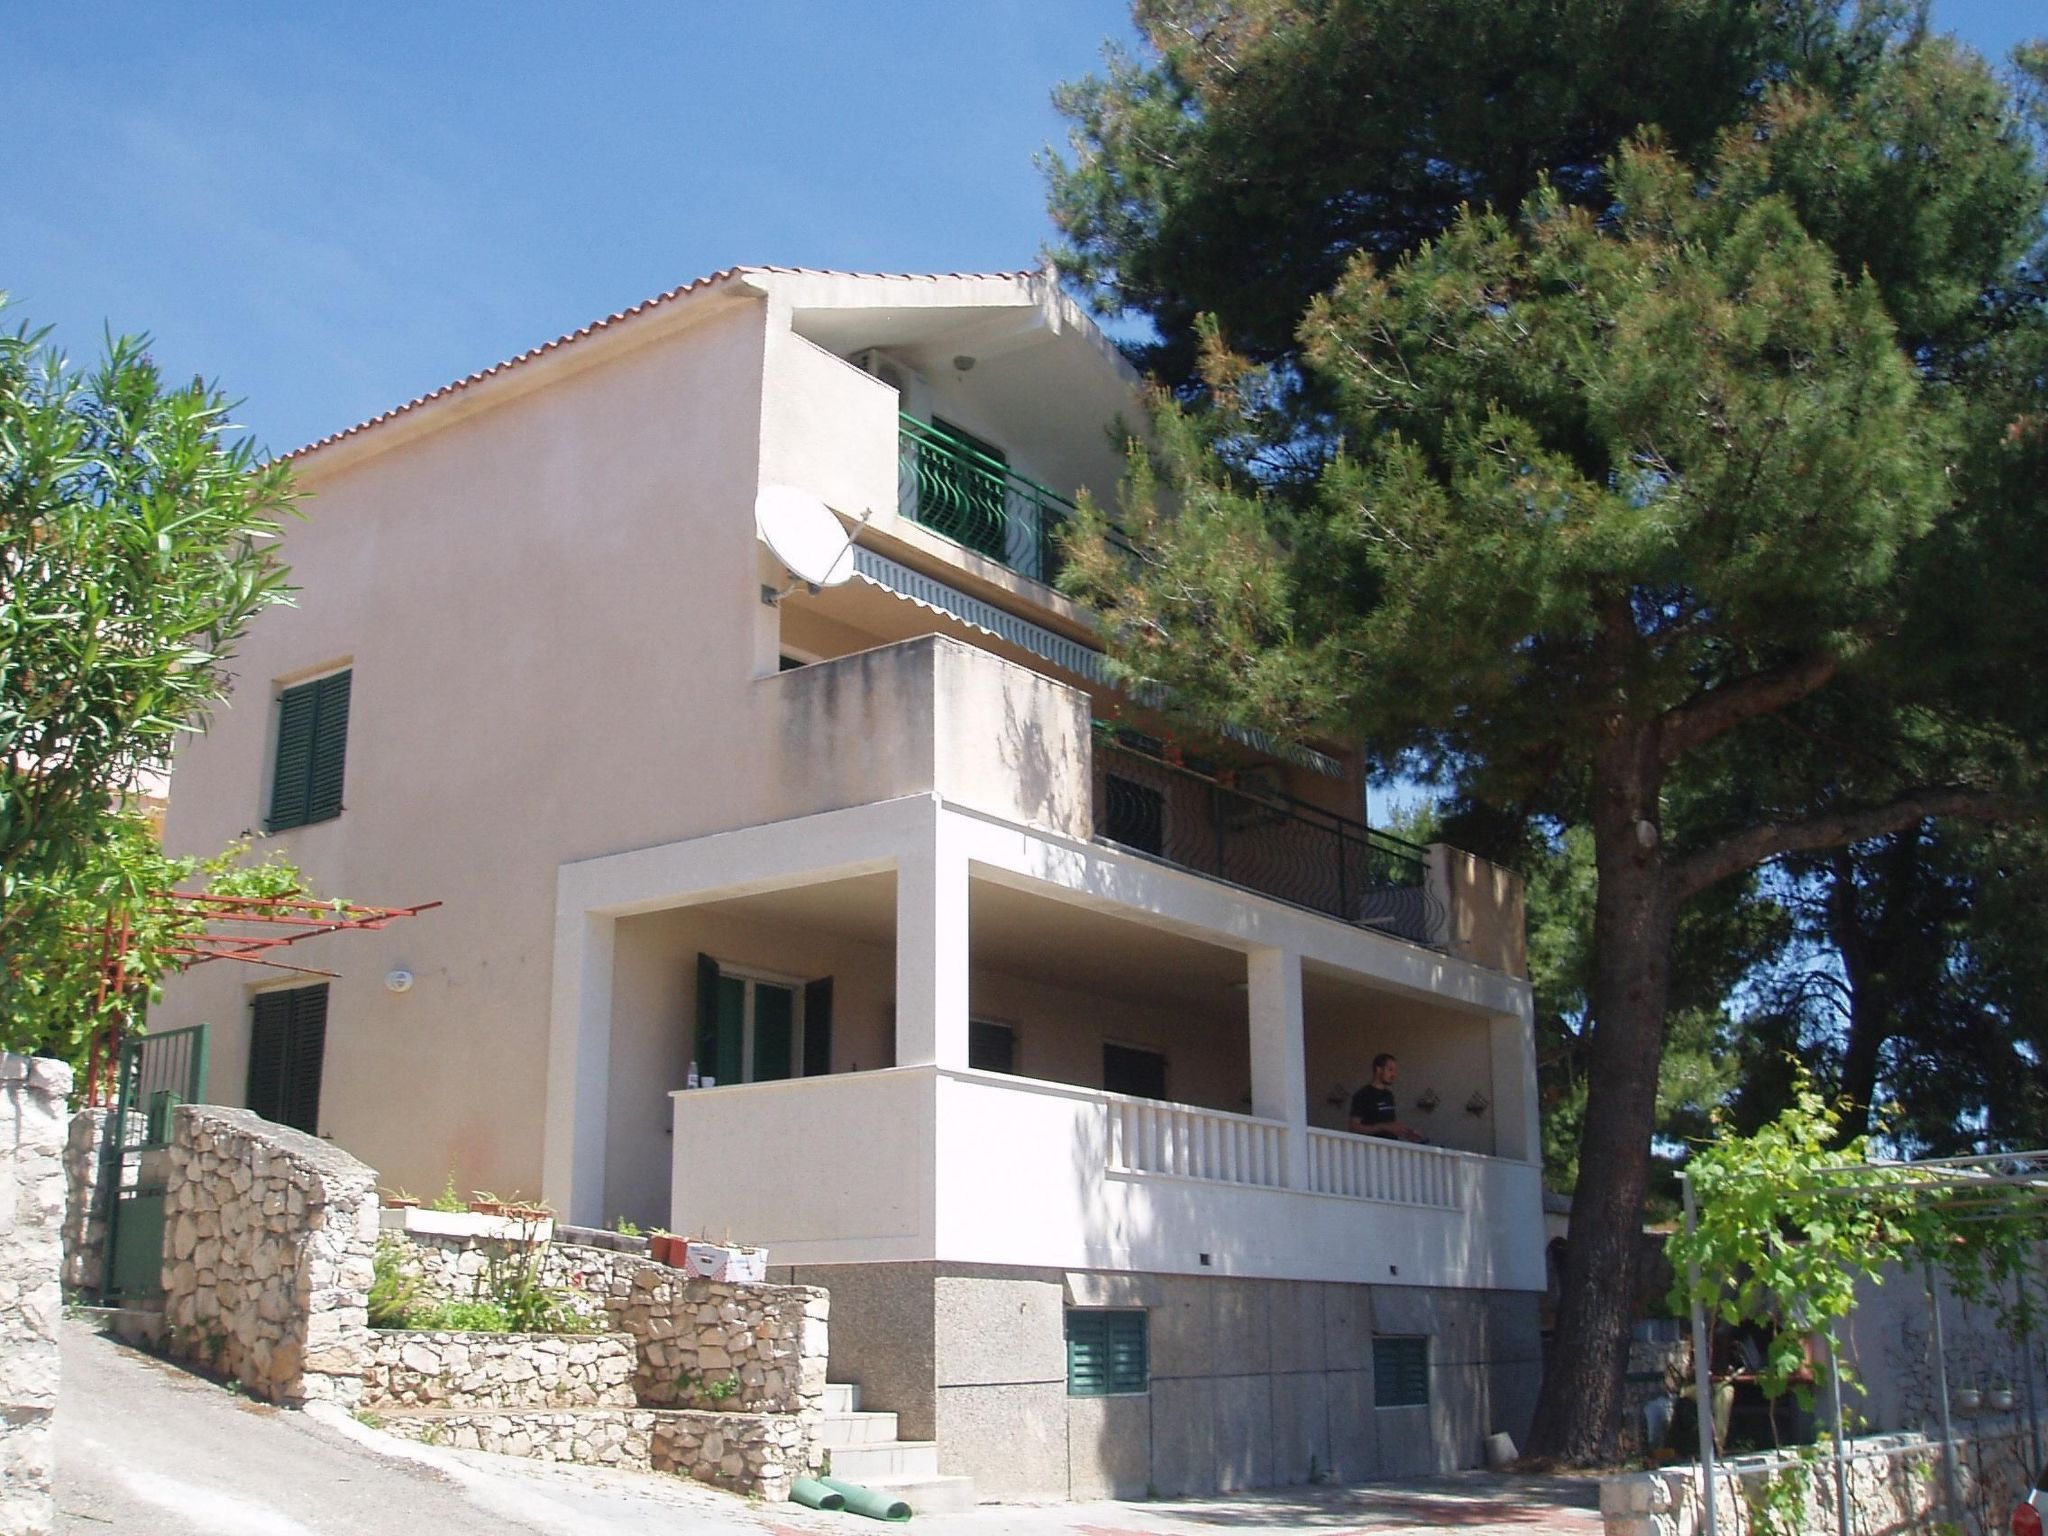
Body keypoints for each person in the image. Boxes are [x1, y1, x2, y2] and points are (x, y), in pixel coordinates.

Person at [1348, 1053, 1426, 1142]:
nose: (1394, 1074)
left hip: (1390, 1147)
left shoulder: (1389, 1095)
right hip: (1371, 1147)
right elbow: (1353, 1127)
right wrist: (1382, 1127)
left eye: (1395, 1070)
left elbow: (1391, 1124)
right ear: (1378, 1070)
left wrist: (1407, 1133)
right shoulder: (1362, 1095)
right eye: (1390, 1070)